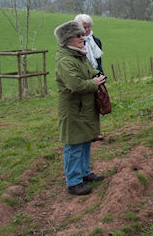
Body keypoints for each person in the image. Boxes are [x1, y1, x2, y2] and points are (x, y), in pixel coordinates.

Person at [54, 20, 107, 195]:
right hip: (73, 110)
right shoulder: (65, 60)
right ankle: (73, 182)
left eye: (82, 34)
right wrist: (94, 83)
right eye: (78, 35)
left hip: (84, 107)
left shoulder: (79, 54)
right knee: (74, 144)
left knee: (85, 140)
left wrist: (97, 75)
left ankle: (84, 173)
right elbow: (75, 85)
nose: (82, 37)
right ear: (67, 39)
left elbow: (90, 71)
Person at [75, 13, 105, 142]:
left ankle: (95, 132)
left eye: (88, 27)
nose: (87, 30)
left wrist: (101, 75)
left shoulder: (95, 41)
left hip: (96, 76)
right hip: (83, 78)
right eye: (84, 27)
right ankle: (84, 133)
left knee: (96, 105)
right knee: (84, 106)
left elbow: (99, 61)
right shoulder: (75, 43)